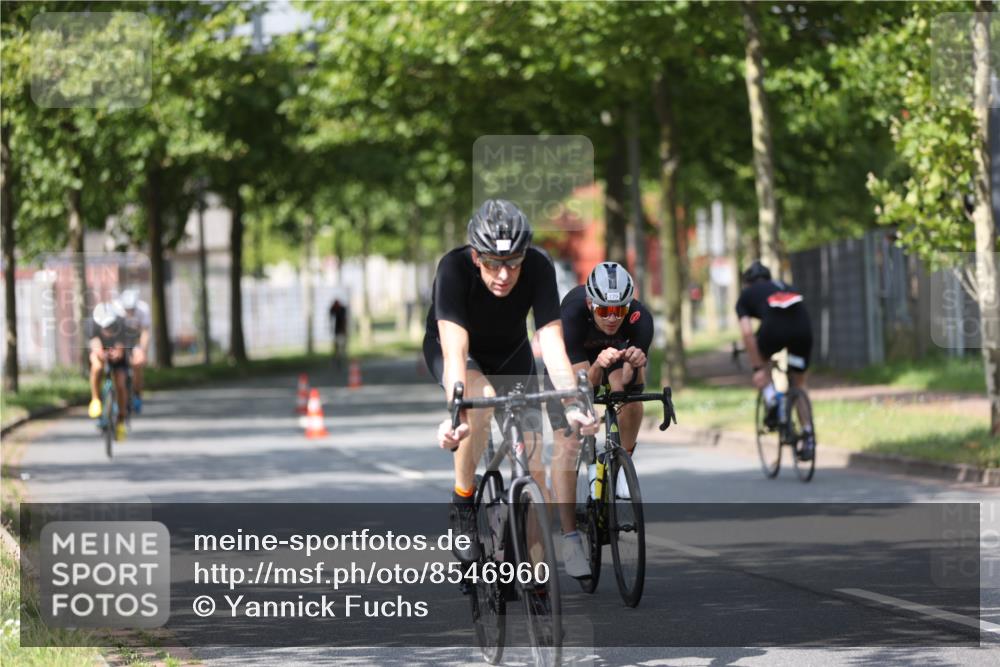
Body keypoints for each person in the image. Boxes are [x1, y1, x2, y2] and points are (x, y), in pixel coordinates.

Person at [424, 198, 597, 567]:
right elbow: (455, 352)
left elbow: (551, 344)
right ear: (476, 257)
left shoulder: (539, 266)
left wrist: (572, 406)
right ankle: (464, 503)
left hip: (512, 353)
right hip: (461, 352)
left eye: (513, 264)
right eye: (492, 264)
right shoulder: (453, 268)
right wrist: (456, 417)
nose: (504, 275)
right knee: (480, 402)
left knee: (535, 465)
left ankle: (536, 571)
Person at [547, 262, 654, 576]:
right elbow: (581, 388)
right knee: (568, 440)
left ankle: (621, 464)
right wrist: (598, 367)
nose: (611, 318)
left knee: (630, 399)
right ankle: (569, 538)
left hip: (614, 363)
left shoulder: (639, 319)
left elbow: (626, 384)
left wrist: (631, 364)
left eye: (618, 311)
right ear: (591, 304)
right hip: (573, 370)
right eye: (604, 310)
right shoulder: (571, 316)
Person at [736, 260, 816, 460]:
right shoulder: (784, 286)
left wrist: (757, 368)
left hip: (775, 331)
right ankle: (808, 435)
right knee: (800, 382)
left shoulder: (745, 296)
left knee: (761, 356)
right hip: (803, 329)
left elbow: (747, 334)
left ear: (747, 283)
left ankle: (771, 398)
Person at [87, 302, 130, 441]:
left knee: (121, 384)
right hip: (100, 351)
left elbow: (121, 347)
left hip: (117, 354)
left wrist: (118, 353)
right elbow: (95, 345)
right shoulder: (91, 324)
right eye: (105, 326)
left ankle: (121, 420)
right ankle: (95, 399)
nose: (108, 329)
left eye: (110, 325)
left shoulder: (122, 324)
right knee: (97, 367)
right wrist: (101, 354)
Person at [117, 288, 151, 413]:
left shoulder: (143, 309)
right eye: (127, 309)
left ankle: (137, 394)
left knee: (137, 364)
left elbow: (145, 333)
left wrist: (142, 351)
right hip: (121, 340)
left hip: (135, 340)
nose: (129, 311)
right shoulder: (117, 310)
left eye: (132, 309)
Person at [328, 298, 348, 367]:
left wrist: (344, 330)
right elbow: (331, 318)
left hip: (341, 330)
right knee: (337, 345)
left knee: (341, 345)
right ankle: (338, 358)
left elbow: (344, 320)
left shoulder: (341, 309)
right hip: (338, 330)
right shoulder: (334, 309)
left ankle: (340, 357)